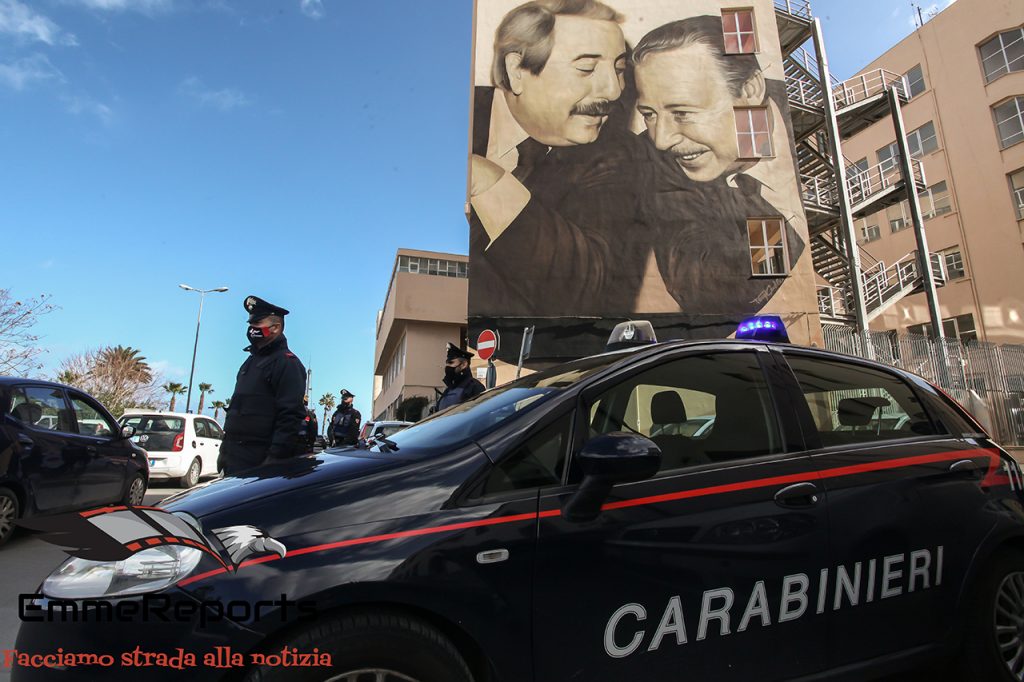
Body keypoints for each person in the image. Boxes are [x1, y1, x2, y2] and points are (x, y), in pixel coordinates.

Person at [468, 0, 646, 318]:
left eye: (619, 69)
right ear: (516, 70)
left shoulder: (618, 155)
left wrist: (490, 183)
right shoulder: (454, 117)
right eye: (586, 68)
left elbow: (585, 289)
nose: (614, 91)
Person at [631, 15, 805, 315]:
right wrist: (762, 205)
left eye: (682, 113)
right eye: (649, 114)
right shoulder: (654, 162)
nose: (661, 140)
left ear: (749, 91)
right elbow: (713, 294)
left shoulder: (798, 122)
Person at [218, 296, 307, 475]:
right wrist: (224, 452)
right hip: (234, 456)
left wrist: (274, 459)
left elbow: (290, 417)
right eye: (251, 324)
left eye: (257, 323)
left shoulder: (287, 363)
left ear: (275, 328)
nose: (252, 329)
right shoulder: (251, 361)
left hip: (258, 460)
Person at [436, 343, 485, 412]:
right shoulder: (449, 389)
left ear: (464, 365)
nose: (447, 367)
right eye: (446, 363)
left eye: (451, 363)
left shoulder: (474, 387)